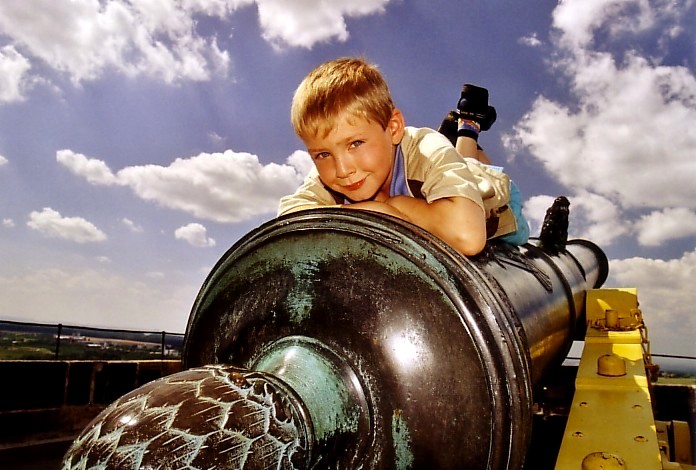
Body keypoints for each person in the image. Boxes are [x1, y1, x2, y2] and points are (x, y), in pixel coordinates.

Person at [278, 57, 529, 256]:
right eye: (322, 154)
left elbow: (468, 237)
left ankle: (468, 125)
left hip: (493, 197)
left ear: (394, 128)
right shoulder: (333, 171)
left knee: (472, 168)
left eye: (355, 143)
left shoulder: (425, 146)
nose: (342, 170)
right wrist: (378, 211)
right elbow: (287, 223)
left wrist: (396, 206)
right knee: (452, 169)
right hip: (433, 191)